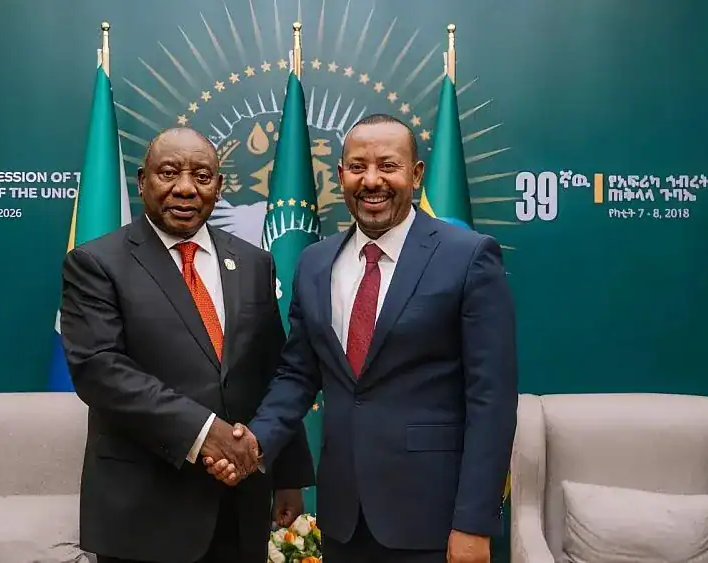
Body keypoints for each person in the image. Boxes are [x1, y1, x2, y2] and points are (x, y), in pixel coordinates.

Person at [205, 114, 518, 563]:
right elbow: (297, 375)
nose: (372, 181)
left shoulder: (467, 257)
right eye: (357, 167)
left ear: (416, 174)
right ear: (340, 175)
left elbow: (492, 401)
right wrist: (255, 443)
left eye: (388, 165)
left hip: (434, 518)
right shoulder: (315, 263)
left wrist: (474, 522)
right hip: (344, 519)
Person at [59, 127, 315, 563]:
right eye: (169, 173)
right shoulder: (96, 263)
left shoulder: (254, 262)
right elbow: (100, 370)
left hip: (239, 506)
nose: (185, 188)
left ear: (219, 186)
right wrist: (205, 432)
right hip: (144, 511)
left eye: (201, 176)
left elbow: (271, 368)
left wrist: (286, 474)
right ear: (142, 181)